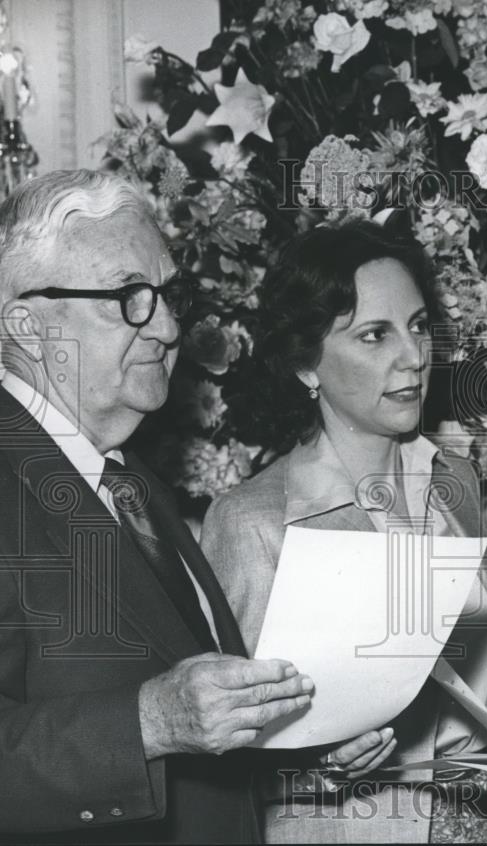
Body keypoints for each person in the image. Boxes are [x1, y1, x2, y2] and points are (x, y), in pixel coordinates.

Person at [0, 170, 316, 843]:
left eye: (166, 292)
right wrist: (149, 721)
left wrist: (303, 747)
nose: (168, 327)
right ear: (26, 325)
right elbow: (160, 714)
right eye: (127, 298)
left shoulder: (132, 482)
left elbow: (197, 731)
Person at [200, 219, 487, 843]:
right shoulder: (253, 522)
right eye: (374, 336)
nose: (412, 356)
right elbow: (220, 752)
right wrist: (318, 765)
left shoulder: (453, 480)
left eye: (416, 326)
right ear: (307, 366)